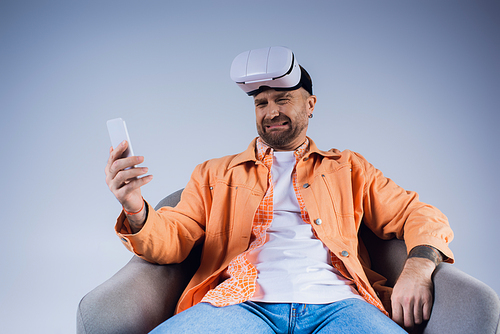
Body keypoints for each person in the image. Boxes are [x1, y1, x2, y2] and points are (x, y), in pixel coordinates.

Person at [105, 46, 454, 333]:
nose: (271, 111)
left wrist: (418, 268)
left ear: (311, 105)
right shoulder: (214, 173)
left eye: (283, 99)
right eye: (261, 103)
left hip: (340, 303)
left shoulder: (348, 168)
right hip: (239, 304)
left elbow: (420, 214)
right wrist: (135, 207)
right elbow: (173, 240)